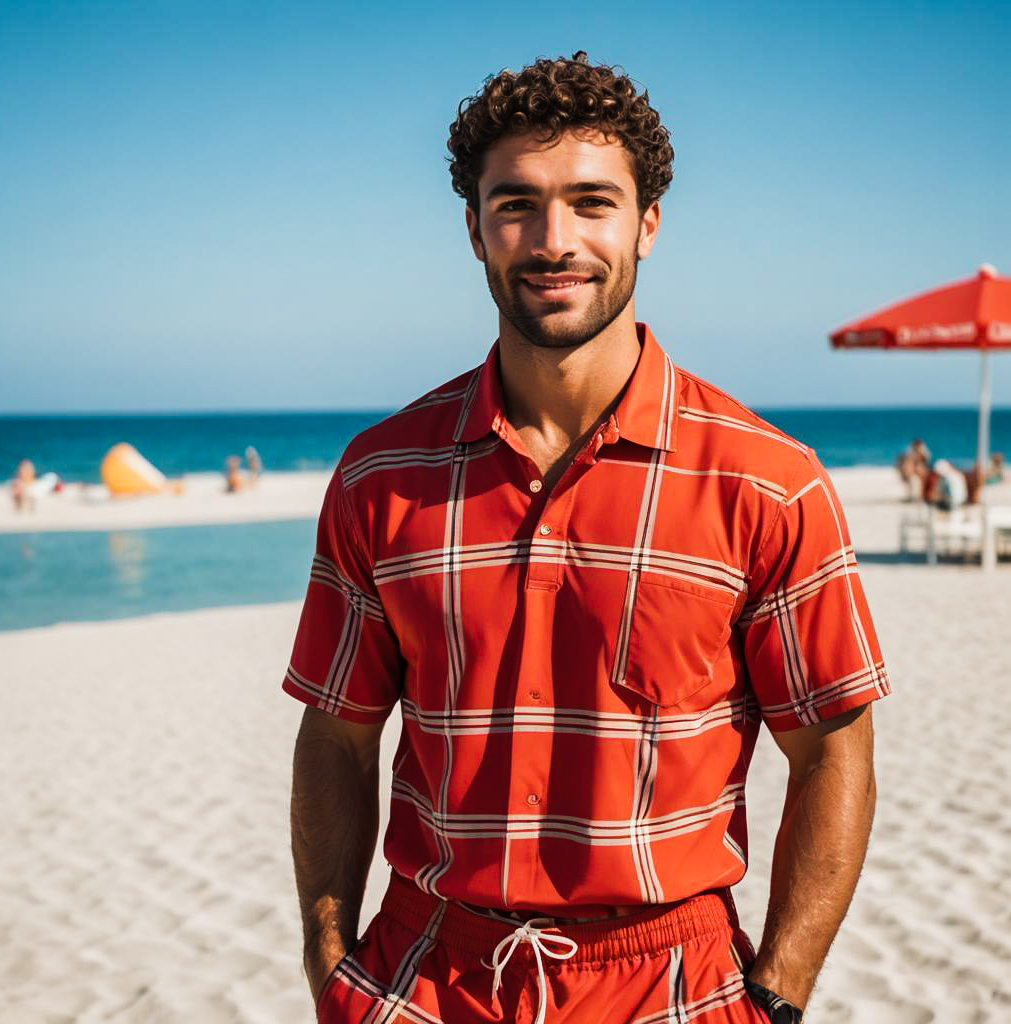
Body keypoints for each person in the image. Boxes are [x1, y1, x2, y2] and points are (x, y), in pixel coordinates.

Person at [285, 53, 890, 1024]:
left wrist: (777, 993)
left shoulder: (769, 483)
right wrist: (330, 966)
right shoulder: (380, 476)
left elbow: (831, 748)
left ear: (648, 223)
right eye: (516, 202)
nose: (553, 239)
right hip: (425, 967)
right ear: (473, 227)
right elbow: (338, 736)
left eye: (592, 202)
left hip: (671, 977)